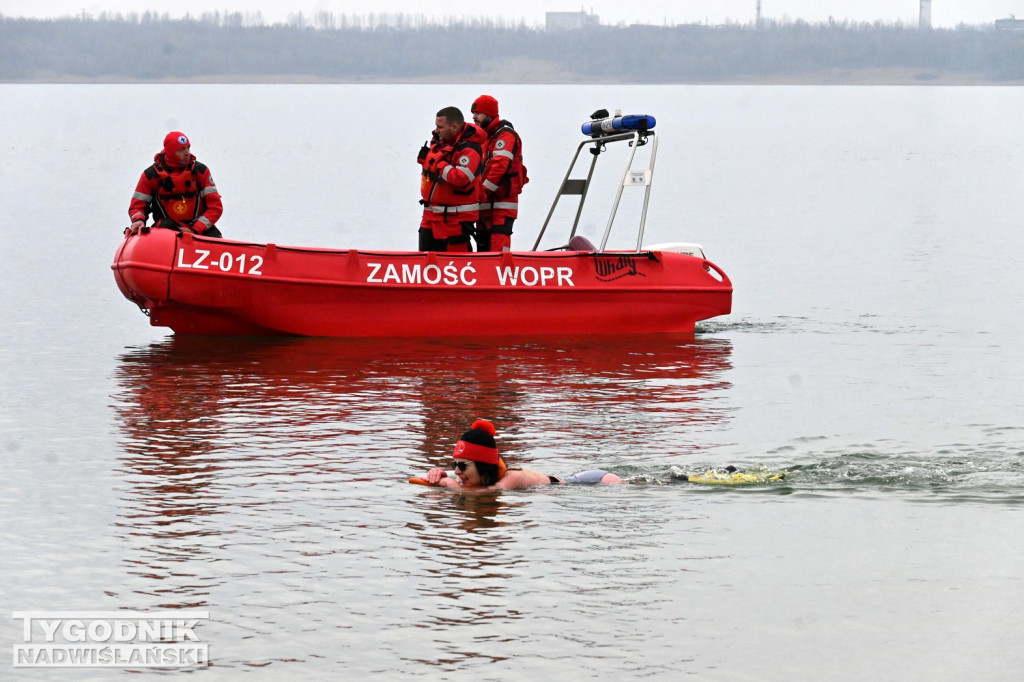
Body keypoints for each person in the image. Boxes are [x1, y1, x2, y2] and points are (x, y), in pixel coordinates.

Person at [416, 419, 623, 490]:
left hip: (594, 482)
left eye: (463, 466)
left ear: (483, 465)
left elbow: (490, 493)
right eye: (454, 466)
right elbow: (440, 476)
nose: (457, 472)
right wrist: (436, 473)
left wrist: (447, 483)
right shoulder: (475, 474)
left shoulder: (513, 476)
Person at [417, 106, 487, 252]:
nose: (436, 130)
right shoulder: (439, 143)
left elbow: (461, 178)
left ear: (454, 127)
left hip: (455, 220)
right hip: (431, 216)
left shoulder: (470, 149)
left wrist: (438, 164)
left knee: (456, 266)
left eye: (440, 127)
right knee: (426, 262)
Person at [128, 131, 223, 237]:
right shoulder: (151, 175)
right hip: (166, 229)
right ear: (171, 152)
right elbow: (137, 206)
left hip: (199, 228)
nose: (187, 152)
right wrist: (138, 220)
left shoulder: (200, 171)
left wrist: (195, 230)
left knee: (216, 237)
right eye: (181, 149)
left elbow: (215, 207)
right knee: (164, 226)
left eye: (188, 147)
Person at [470, 95, 528, 252]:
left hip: (501, 206)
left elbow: (498, 167)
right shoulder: (485, 137)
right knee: (482, 253)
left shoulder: (506, 136)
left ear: (489, 114)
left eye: (478, 113)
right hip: (484, 207)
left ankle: (502, 276)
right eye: (473, 113)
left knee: (497, 254)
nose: (474, 117)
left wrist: (481, 193)